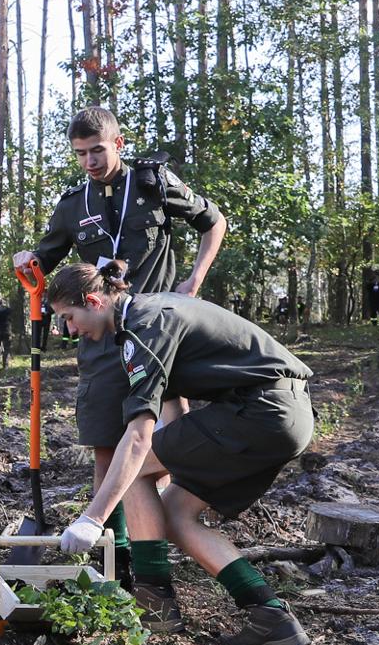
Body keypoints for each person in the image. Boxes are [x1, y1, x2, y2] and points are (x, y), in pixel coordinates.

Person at [49, 260, 314, 645]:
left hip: (262, 410)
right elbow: (174, 415)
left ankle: (154, 602)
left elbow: (139, 439)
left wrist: (92, 519)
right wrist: (165, 477)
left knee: (132, 469)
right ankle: (270, 617)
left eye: (69, 317)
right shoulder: (145, 317)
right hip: (281, 414)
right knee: (175, 513)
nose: (70, 331)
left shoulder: (145, 326)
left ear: (93, 301)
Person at [13, 106, 227, 594]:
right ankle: (118, 559)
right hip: (102, 335)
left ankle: (163, 547)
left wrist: (194, 280)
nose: (89, 161)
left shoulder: (154, 184)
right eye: (80, 154)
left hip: (159, 333)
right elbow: (43, 262)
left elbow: (213, 222)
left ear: (119, 144)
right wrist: (28, 261)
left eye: (97, 151)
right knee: (107, 445)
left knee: (165, 441)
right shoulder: (73, 204)